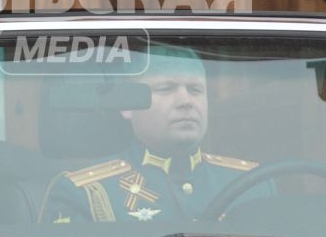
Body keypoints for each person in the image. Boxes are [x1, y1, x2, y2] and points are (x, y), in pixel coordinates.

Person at [40, 49, 259, 226]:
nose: (186, 101)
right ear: (128, 105)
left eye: (195, 90)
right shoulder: (83, 193)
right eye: (166, 89)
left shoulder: (253, 182)